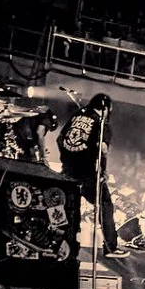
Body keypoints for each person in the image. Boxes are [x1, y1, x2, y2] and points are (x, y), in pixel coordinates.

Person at [57, 92, 118, 255]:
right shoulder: (102, 123)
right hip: (88, 174)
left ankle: (66, 244)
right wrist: (103, 171)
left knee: (71, 205)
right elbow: (103, 150)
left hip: (68, 171)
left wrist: (66, 158)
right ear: (106, 109)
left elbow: (60, 139)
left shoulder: (76, 115)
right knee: (105, 203)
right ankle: (110, 246)